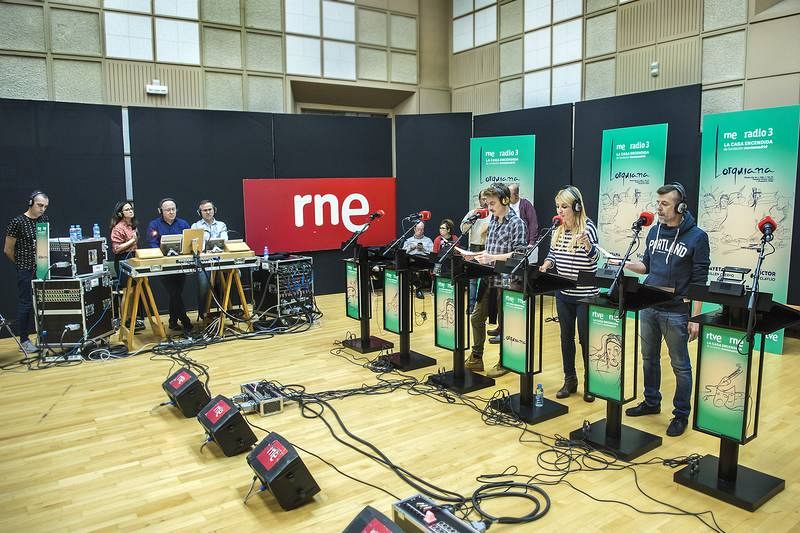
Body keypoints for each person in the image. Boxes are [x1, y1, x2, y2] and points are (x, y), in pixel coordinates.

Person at [621, 182, 710, 437]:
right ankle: (651, 402)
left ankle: (681, 413)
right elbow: (647, 266)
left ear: (680, 206)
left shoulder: (697, 237)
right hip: (649, 306)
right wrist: (626, 264)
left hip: (677, 311)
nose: (659, 209)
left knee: (680, 365)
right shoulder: (654, 232)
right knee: (648, 358)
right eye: (657, 203)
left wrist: (696, 316)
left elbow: (699, 281)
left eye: (665, 204)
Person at [539, 185, 599, 402]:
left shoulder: (588, 228)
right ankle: (569, 380)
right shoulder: (558, 229)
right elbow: (553, 254)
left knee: (585, 340)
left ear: (576, 206)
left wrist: (587, 246)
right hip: (563, 293)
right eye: (558, 206)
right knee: (566, 338)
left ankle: (590, 383)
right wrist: (546, 264)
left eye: (564, 206)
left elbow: (594, 261)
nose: (560, 210)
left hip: (585, 295)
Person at [466, 183, 527, 378]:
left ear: (505, 200)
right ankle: (477, 357)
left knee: (505, 323)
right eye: (487, 203)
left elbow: (519, 255)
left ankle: (505, 361)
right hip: (489, 276)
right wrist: (475, 255)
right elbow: (491, 250)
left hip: (507, 280)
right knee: (476, 317)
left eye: (492, 203)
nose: (489, 207)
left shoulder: (517, 224)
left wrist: (493, 257)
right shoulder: (492, 220)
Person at [4, 191, 49, 354]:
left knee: (43, 302)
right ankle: (24, 339)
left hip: (42, 267)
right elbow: (8, 249)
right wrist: (21, 264)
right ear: (31, 203)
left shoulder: (44, 220)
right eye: (40, 205)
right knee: (26, 303)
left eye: (45, 206)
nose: (42, 209)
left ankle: (44, 337)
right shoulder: (18, 222)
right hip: (25, 268)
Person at [147, 198, 192, 332]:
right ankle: (185, 321)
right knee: (174, 292)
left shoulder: (183, 223)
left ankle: (172, 321)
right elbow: (152, 243)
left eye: (173, 209)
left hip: (181, 265)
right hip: (164, 266)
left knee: (176, 294)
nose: (171, 212)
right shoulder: (154, 225)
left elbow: (189, 241)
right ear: (161, 211)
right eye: (168, 210)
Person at [110, 200, 144, 332]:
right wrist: (132, 241)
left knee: (135, 291)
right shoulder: (118, 227)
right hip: (123, 259)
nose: (131, 211)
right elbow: (116, 249)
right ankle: (124, 321)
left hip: (133, 257)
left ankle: (132, 319)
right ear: (120, 213)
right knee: (127, 291)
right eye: (127, 209)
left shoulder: (132, 225)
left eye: (131, 208)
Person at [191, 200, 228, 319]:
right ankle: (203, 313)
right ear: (199, 212)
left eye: (210, 209)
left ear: (214, 210)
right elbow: (196, 246)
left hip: (220, 261)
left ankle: (225, 311)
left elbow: (224, 242)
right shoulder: (195, 226)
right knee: (203, 283)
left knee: (235, 274)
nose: (208, 212)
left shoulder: (221, 225)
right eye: (204, 210)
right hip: (203, 263)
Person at [461, 193, 490, 313]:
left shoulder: (493, 214)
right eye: (482, 199)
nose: (484, 201)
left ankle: (484, 307)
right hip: (473, 247)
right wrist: (471, 219)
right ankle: (471, 304)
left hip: (487, 249)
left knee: (486, 279)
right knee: (472, 279)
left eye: (486, 199)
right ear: (479, 200)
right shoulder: (473, 213)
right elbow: (463, 229)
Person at [403, 221, 434, 298]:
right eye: (418, 229)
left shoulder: (428, 240)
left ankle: (417, 287)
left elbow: (433, 253)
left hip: (424, 261)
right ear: (414, 229)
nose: (420, 231)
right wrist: (411, 248)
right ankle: (417, 287)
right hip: (412, 261)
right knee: (405, 263)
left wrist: (423, 249)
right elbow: (403, 252)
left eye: (422, 229)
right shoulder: (408, 240)